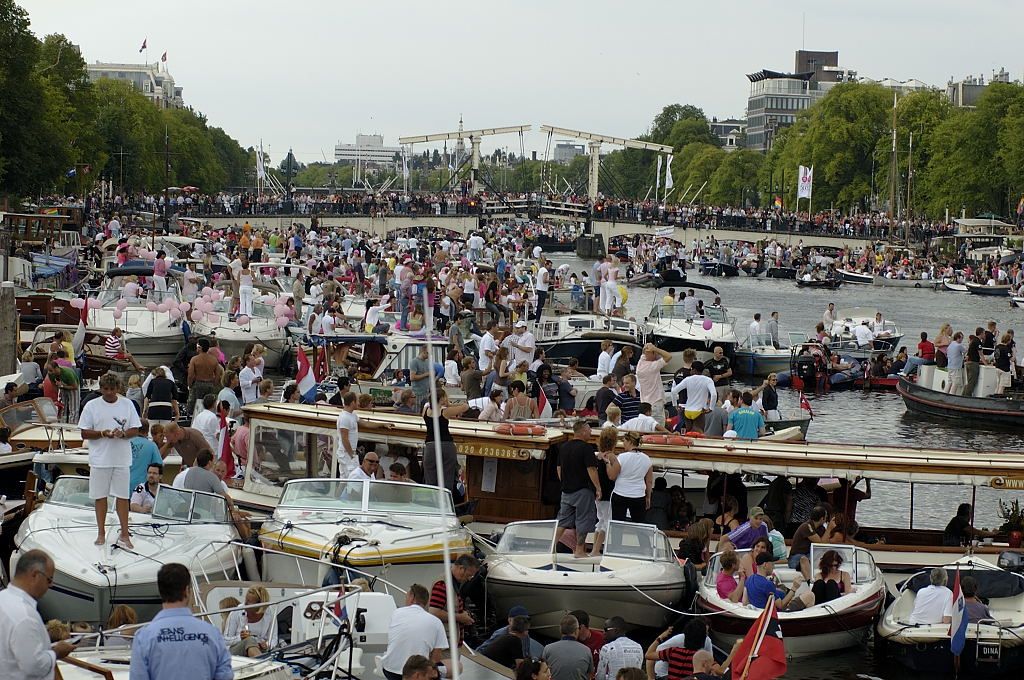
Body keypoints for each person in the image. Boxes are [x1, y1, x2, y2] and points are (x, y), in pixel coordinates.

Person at [130, 563, 232, 680]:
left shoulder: (144, 637)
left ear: (160, 590)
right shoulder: (212, 634)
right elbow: (225, 676)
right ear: (187, 590)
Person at [79, 372, 141, 548]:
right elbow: (84, 432)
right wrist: (102, 433)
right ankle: (101, 533)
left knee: (122, 497)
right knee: (100, 497)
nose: (108, 392)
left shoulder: (127, 404)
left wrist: (123, 434)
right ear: (101, 388)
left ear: (118, 389)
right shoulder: (91, 406)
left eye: (112, 389)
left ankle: (124, 533)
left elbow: (135, 429)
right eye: (105, 389)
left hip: (121, 459)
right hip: (99, 459)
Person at [0, 549, 76, 679]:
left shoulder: (3, 598)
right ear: (35, 575)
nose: (51, 585)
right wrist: (56, 652)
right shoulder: (25, 616)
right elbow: (33, 666)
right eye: (49, 579)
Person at [381, 584, 448, 680]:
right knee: (456, 666)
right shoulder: (436, 622)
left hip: (390, 671)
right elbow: (436, 658)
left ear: (412, 598)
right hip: (416, 675)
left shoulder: (396, 613)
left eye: (407, 596)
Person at [554, 421, 600, 558]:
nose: (591, 432)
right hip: (583, 491)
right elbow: (591, 469)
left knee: (563, 520)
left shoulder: (563, 447)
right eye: (589, 430)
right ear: (583, 432)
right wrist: (598, 487)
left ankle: (551, 546)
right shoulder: (587, 449)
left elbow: (558, 468)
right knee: (583, 520)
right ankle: (579, 550)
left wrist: (564, 482)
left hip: (566, 491)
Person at [423, 388, 469, 494]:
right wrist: (449, 404)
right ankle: (445, 501)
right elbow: (465, 407)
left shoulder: (426, 411)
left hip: (430, 445)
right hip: (446, 445)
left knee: (430, 476)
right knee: (447, 476)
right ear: (442, 398)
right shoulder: (445, 412)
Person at [428, 554, 479, 645]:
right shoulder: (442, 584)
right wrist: (461, 617)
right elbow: (434, 612)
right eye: (468, 575)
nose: (468, 579)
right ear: (461, 569)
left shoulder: (452, 582)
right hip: (444, 644)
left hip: (449, 642)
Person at [745, 552, 813, 611]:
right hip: (779, 614)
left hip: (760, 614)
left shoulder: (749, 579)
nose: (773, 566)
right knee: (810, 596)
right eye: (772, 564)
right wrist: (794, 588)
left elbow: (745, 602)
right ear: (765, 565)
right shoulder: (767, 584)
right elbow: (781, 605)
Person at [609, 432, 653, 523]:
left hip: (620, 494)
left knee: (617, 526)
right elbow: (649, 481)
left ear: (630, 442)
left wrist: (607, 463)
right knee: (640, 526)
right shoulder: (647, 459)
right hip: (638, 495)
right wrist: (648, 497)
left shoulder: (621, 457)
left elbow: (612, 476)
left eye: (624, 441)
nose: (623, 443)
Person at [222, 585, 276, 657]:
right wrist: (240, 637)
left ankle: (259, 660)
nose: (245, 604)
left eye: (249, 602)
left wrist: (267, 644)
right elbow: (225, 641)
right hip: (235, 651)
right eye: (246, 601)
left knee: (253, 642)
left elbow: (274, 638)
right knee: (249, 640)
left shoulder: (270, 612)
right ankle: (261, 663)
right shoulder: (236, 612)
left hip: (260, 647)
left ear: (259, 605)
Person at [477, 605, 543, 659]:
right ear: (509, 620)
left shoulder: (525, 635)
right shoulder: (500, 634)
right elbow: (482, 650)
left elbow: (526, 654)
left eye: (525, 620)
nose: (522, 622)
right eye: (518, 620)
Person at [543, 614, 593, 680]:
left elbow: (543, 671)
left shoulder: (548, 649)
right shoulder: (586, 650)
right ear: (576, 631)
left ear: (560, 630)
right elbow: (590, 674)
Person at [669, 363, 716, 432]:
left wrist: (675, 405)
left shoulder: (687, 379)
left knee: (688, 433)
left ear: (694, 370)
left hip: (687, 410)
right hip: (699, 411)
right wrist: (711, 408)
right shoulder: (708, 380)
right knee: (698, 433)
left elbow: (673, 392)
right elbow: (714, 394)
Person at [788, 505, 831, 580]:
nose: (826, 519)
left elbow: (825, 543)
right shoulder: (806, 526)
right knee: (806, 559)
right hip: (796, 558)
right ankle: (810, 581)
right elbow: (820, 543)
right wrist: (829, 528)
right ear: (822, 518)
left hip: (808, 555)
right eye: (826, 517)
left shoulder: (821, 528)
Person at [596, 616, 643, 680]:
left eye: (606, 630)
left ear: (616, 630)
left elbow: (600, 676)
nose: (603, 633)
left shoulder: (607, 648)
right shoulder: (638, 647)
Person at [635, 343, 671, 423]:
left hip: (645, 404)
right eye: (654, 353)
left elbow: (645, 355)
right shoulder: (652, 367)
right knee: (658, 432)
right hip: (655, 404)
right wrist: (655, 349)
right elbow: (668, 356)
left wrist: (649, 349)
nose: (656, 354)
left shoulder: (640, 364)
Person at [128, 420, 164, 493]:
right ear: (147, 431)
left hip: (123, 486)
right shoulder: (152, 446)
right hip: (141, 489)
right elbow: (158, 466)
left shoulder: (125, 443)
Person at [336, 392, 360, 478]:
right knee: (350, 480)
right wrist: (352, 455)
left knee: (347, 480)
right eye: (357, 401)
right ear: (353, 402)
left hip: (349, 454)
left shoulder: (353, 415)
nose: (359, 403)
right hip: (346, 454)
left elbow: (365, 423)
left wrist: (382, 424)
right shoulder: (344, 417)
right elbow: (344, 438)